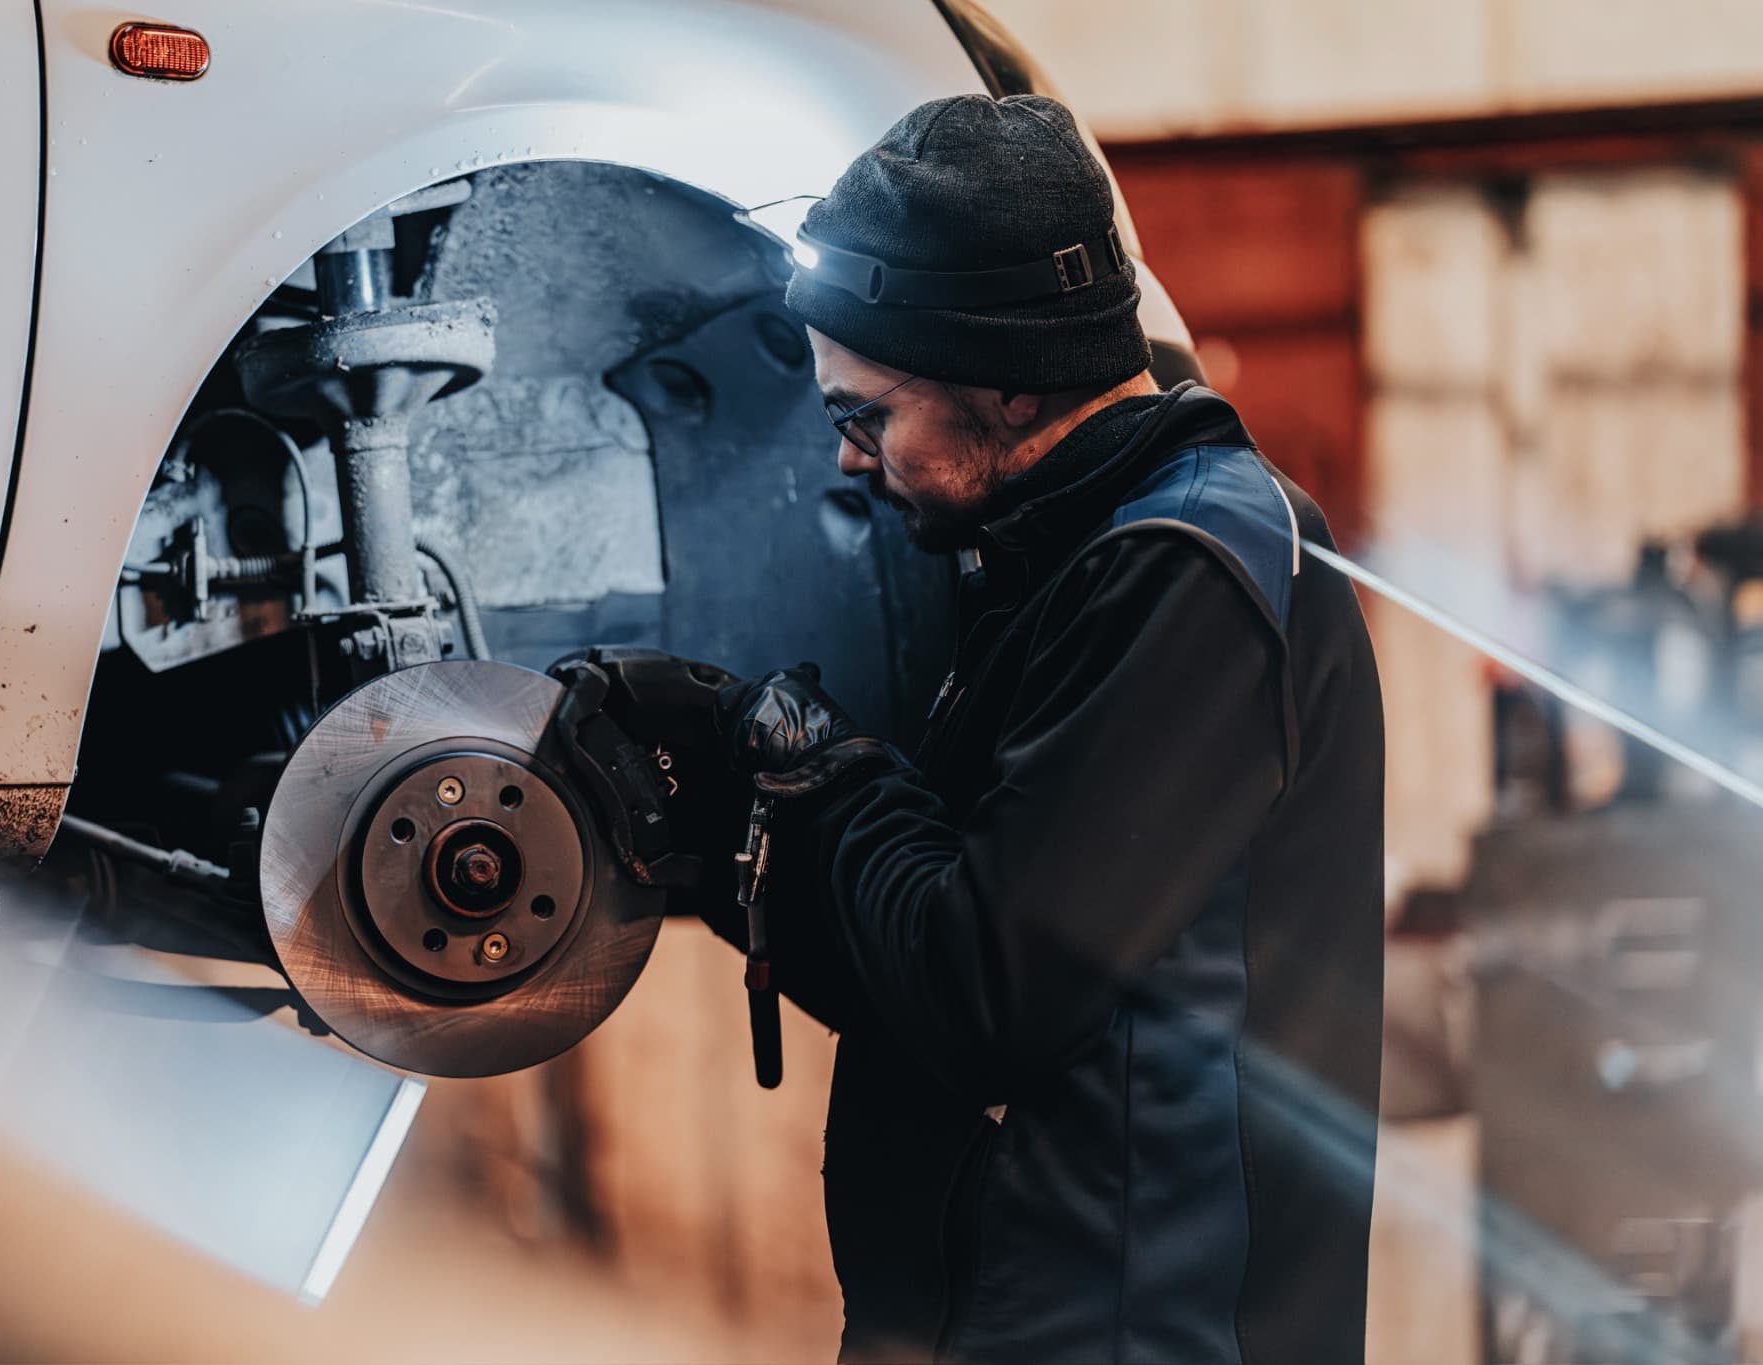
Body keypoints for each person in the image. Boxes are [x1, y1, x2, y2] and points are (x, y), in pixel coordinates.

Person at [593, 93, 1385, 1363]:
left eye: (867, 417)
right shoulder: (1055, 564)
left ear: (1006, 385)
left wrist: (825, 777)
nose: (850, 461)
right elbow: (912, 974)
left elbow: (982, 994)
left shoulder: (1184, 570)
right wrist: (723, 803)